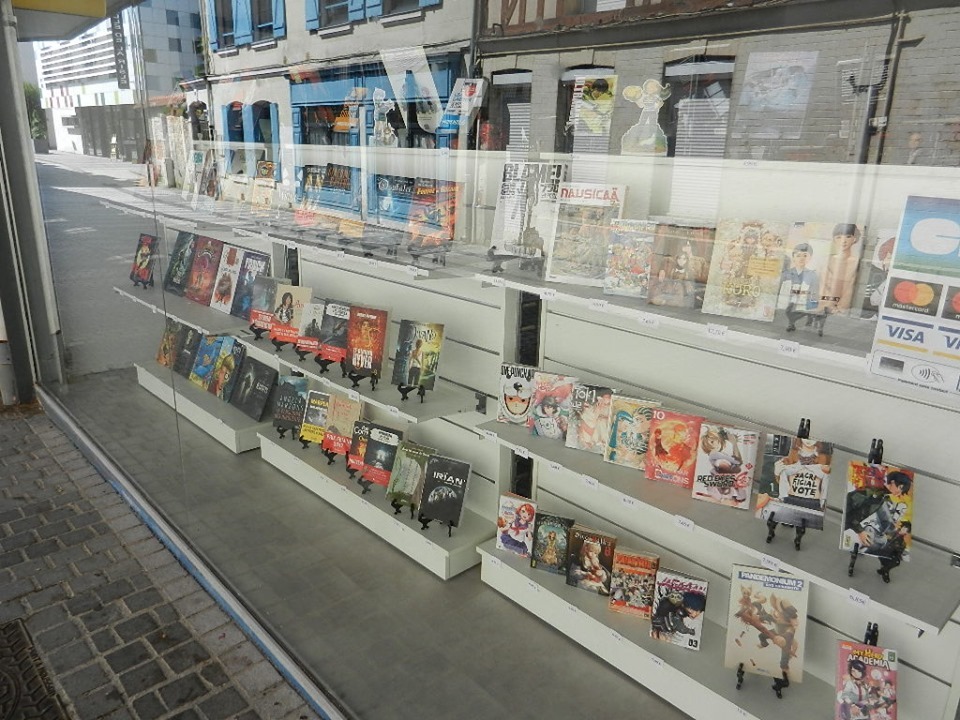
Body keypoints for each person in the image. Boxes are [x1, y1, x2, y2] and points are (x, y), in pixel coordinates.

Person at [820, 223, 862, 315]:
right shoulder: (828, 260)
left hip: (844, 311)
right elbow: (824, 284)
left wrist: (841, 308)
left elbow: (850, 288)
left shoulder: (857, 262)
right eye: (838, 237)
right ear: (834, 240)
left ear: (854, 239)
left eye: (848, 236)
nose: (843, 241)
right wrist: (829, 305)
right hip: (825, 307)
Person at [781, 242, 820, 331]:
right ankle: (792, 323)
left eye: (805, 256)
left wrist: (812, 306)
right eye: (798, 255)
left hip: (804, 300)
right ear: (793, 257)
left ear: (810, 258)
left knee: (801, 311)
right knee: (789, 311)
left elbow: (815, 291)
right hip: (790, 299)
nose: (801, 258)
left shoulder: (812, 275)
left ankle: (793, 323)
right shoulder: (787, 273)